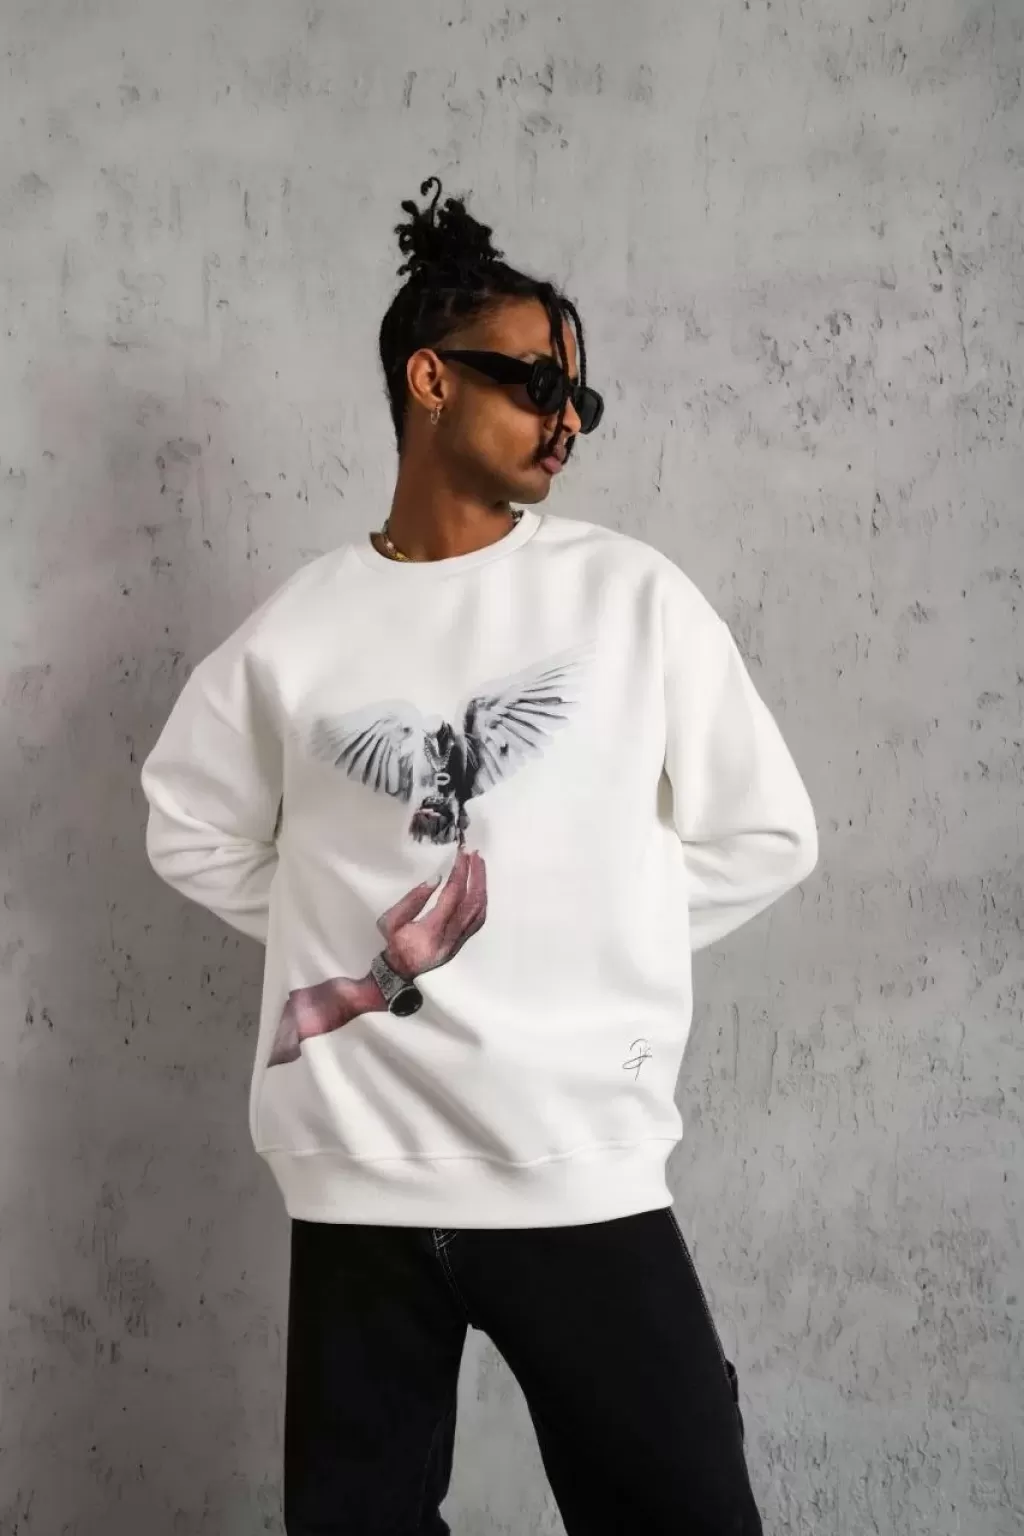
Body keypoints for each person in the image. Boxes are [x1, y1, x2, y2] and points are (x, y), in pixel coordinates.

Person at [141, 176, 819, 1536]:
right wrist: (357, 941)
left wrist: (578, 925)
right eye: (534, 383)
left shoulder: (628, 597)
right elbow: (188, 824)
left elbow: (767, 833)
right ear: (431, 377)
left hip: (573, 1158)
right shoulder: (303, 627)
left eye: (581, 398)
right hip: (357, 1165)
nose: (565, 419)